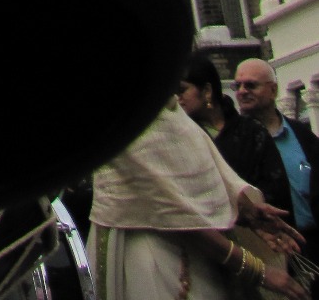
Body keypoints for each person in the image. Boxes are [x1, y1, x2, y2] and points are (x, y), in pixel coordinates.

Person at [91, 98, 304, 299]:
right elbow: (175, 212)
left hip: (198, 254)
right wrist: (257, 271)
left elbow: (203, 171)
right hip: (151, 254)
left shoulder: (167, 108)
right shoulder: (133, 114)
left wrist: (247, 211)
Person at [180, 53, 293, 219]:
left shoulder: (251, 132)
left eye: (182, 90)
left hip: (263, 231)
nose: (177, 98)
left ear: (207, 91)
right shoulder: (182, 137)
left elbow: (277, 189)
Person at [234, 59, 319, 260]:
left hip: (313, 242)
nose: (242, 91)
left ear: (273, 90)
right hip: (269, 250)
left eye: (251, 85)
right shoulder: (233, 142)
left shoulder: (302, 136)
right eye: (237, 86)